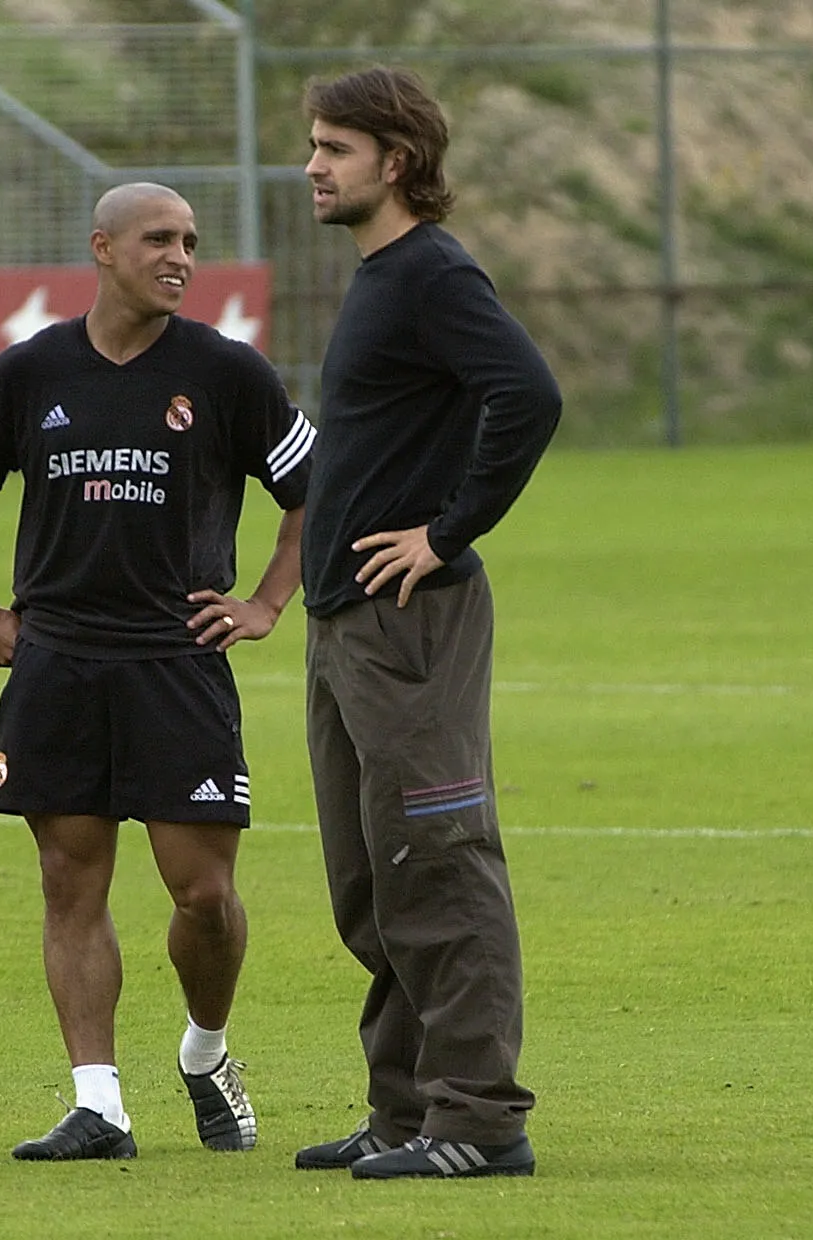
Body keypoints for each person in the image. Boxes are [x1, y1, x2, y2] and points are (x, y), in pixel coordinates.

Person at [0, 182, 315, 1161]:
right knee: (70, 880)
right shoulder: (27, 372)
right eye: (158, 239)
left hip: (174, 662)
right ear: (101, 248)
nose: (179, 256)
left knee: (201, 896)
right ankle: (97, 1102)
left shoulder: (225, 373)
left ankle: (204, 1049)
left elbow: (314, 493)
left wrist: (268, 601)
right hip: (56, 663)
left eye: (190, 241)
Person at [292, 67, 562, 1180]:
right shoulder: (379, 279)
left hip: (408, 623)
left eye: (334, 148)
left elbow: (527, 394)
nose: (312, 165)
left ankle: (477, 1120)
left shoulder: (430, 273)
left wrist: (444, 534)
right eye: (312, 145)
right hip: (345, 624)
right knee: (370, 878)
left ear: (394, 162)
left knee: (437, 864)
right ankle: (402, 1110)